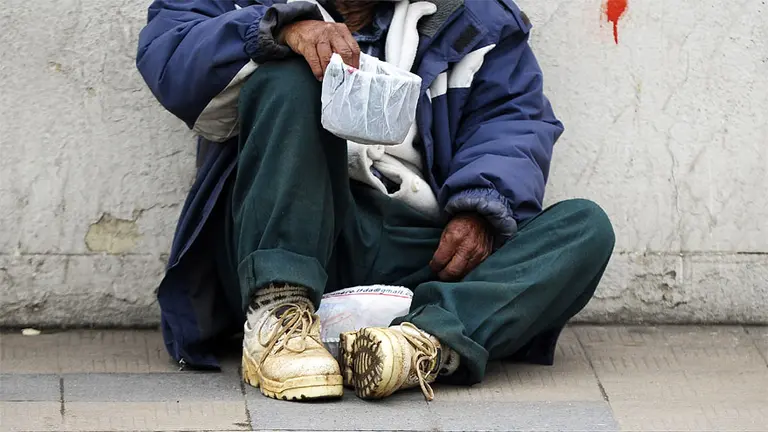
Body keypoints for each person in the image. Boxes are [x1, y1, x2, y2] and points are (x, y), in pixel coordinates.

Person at [136, 0, 615, 403]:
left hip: (414, 252)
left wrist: (480, 208)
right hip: (276, 232)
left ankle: (418, 346)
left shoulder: (475, 16)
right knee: (290, 77)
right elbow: (170, 48)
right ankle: (280, 317)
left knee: (584, 229)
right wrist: (282, 30)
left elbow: (512, 120)